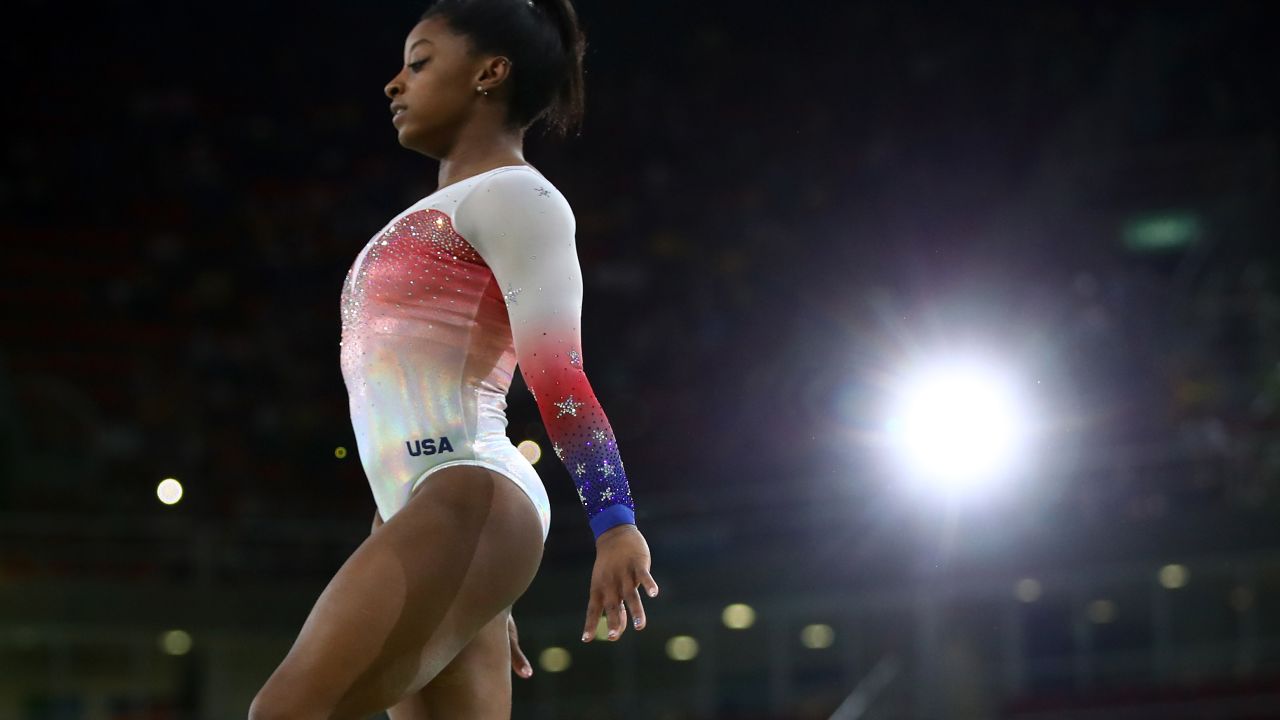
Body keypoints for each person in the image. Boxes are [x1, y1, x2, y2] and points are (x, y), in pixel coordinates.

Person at [249, 1, 658, 717]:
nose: (394, 84)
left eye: (420, 61)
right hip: (429, 515)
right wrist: (479, 585)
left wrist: (613, 516)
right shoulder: (436, 212)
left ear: (489, 74)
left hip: (466, 488)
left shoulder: (517, 195)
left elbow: (558, 374)